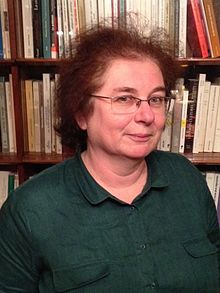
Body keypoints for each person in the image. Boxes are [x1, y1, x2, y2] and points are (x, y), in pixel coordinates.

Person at [0, 20, 219, 292]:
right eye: (125, 99)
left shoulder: (187, 179)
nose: (147, 116)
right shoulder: (29, 210)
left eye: (156, 99)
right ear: (81, 113)